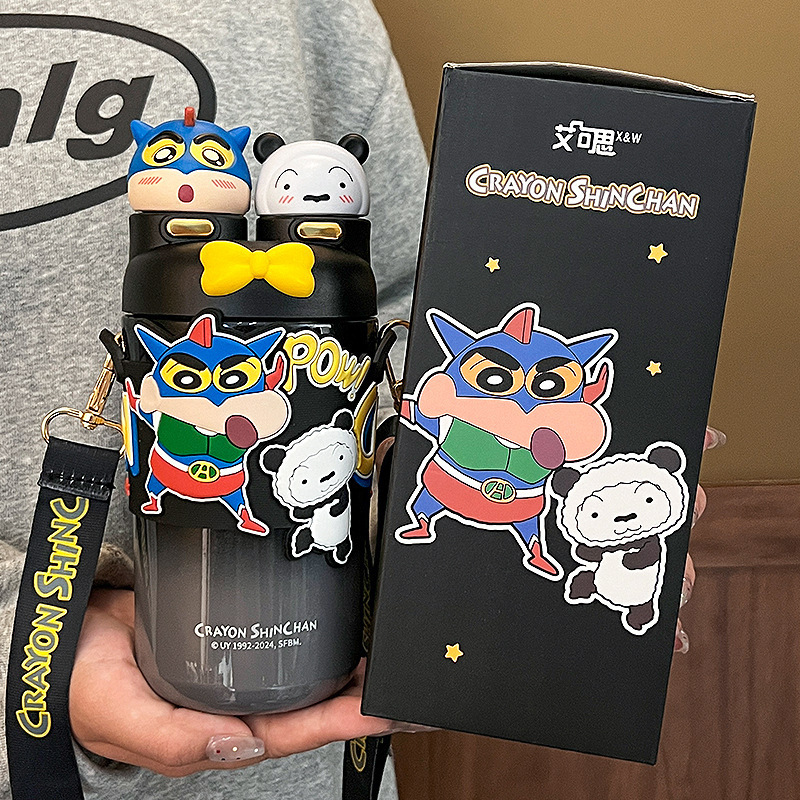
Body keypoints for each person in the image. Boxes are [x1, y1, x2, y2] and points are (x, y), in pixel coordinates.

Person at [0, 0, 427, 796]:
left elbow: (414, 313)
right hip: (60, 672)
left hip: (320, 753)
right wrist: (27, 647)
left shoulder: (314, 13)